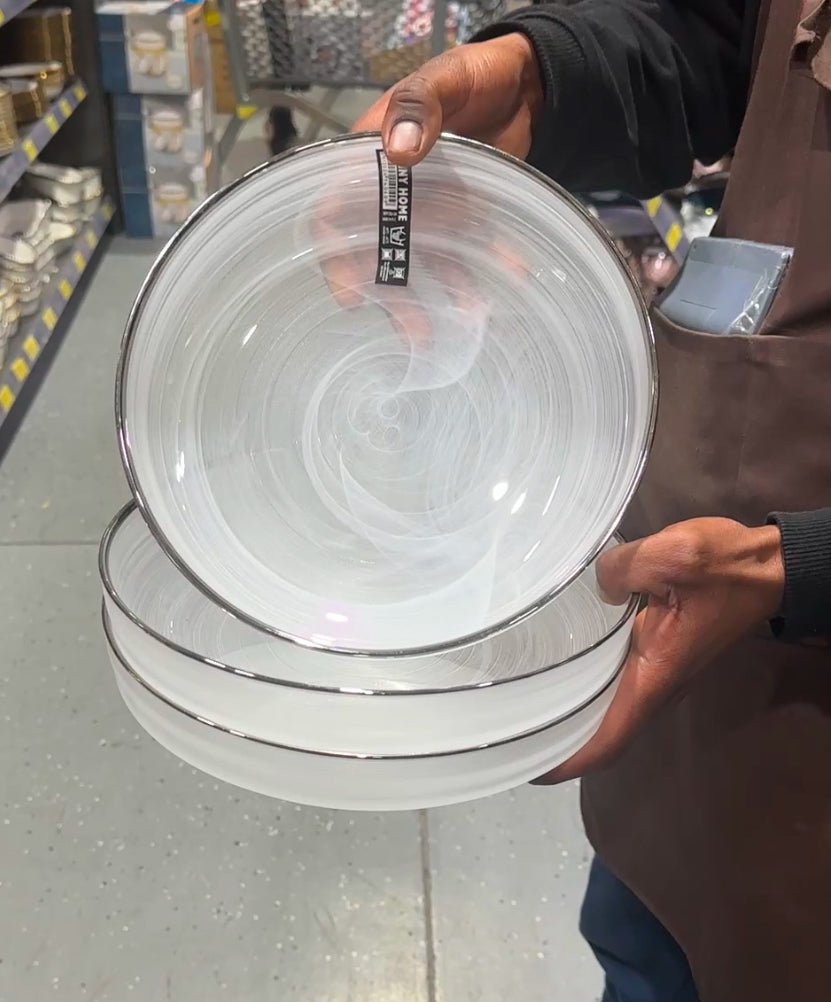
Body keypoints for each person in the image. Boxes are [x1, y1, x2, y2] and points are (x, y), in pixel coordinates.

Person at [352, 3, 831, 1000]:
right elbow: (721, 39)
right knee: (654, 936)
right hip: (681, 680)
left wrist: (800, 564)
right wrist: (537, 76)